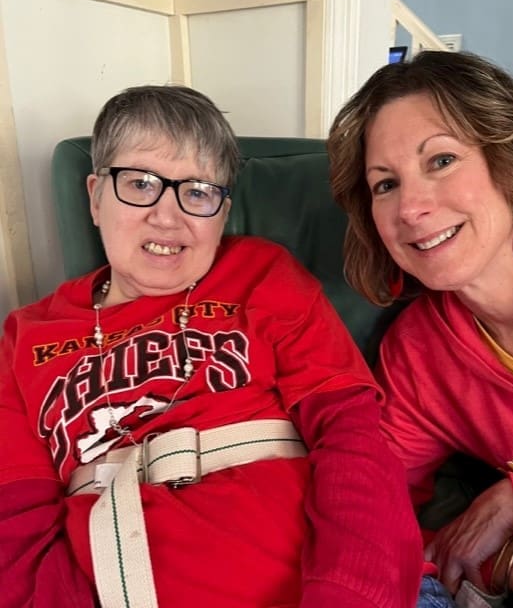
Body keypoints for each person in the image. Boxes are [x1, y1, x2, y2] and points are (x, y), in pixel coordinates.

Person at [0, 84, 428, 608]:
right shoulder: (24, 336)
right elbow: (15, 528)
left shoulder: (262, 274)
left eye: (198, 192)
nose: (167, 216)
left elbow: (353, 437)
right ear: (94, 196)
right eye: (140, 183)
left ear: (222, 213)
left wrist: (348, 595)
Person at [327, 50, 513, 607]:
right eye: (385, 185)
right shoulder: (419, 354)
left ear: (510, 163)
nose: (410, 207)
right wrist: (512, 565)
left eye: (441, 160)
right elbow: (371, 517)